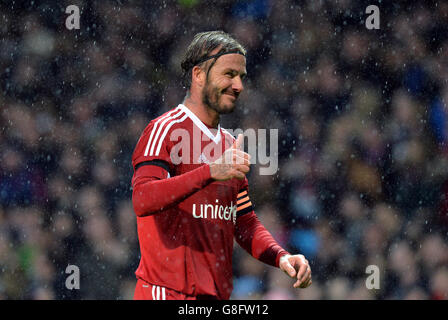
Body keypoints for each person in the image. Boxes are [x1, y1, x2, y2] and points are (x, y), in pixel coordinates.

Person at [131, 30, 312, 300]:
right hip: (166, 294)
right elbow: (142, 199)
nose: (238, 85)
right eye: (229, 74)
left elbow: (243, 221)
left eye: (241, 77)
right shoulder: (164, 130)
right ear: (198, 75)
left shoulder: (229, 144)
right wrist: (209, 172)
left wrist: (280, 256)